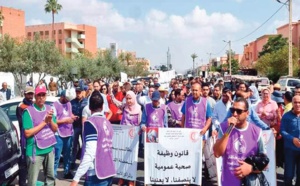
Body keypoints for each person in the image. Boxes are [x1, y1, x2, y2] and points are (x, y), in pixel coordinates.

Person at [213, 97, 267, 186]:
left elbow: (265, 163)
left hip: (249, 182)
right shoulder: (223, 128)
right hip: (228, 182)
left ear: (247, 113)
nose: (234, 114)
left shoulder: (257, 132)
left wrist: (251, 168)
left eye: (238, 111)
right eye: (232, 110)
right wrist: (228, 130)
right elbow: (217, 153)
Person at [71, 91, 116, 186]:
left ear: (89, 107)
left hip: (96, 173)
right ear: (103, 106)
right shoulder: (107, 123)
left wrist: (76, 178)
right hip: (109, 170)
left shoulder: (90, 123)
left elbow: (90, 153)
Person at [23, 85, 58, 186]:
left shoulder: (49, 108)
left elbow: (55, 129)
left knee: (50, 179)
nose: (41, 97)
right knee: (32, 182)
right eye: (39, 95)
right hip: (35, 151)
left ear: (46, 96)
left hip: (49, 149)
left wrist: (50, 120)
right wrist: (44, 122)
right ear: (35, 96)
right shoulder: (28, 111)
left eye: (43, 95)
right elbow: (27, 133)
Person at [118, 91, 142, 186]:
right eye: (127, 99)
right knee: (122, 157)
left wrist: (138, 132)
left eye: (130, 98)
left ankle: (131, 179)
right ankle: (121, 177)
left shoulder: (139, 109)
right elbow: (116, 103)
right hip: (123, 137)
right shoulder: (124, 107)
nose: (128, 101)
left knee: (131, 159)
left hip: (133, 137)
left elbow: (140, 123)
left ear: (134, 98)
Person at [53, 90, 76, 179]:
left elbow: (69, 114)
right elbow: (53, 121)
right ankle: (53, 175)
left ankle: (67, 172)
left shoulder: (69, 104)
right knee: (57, 156)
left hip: (68, 133)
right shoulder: (55, 105)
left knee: (67, 155)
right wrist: (65, 121)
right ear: (62, 96)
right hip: (59, 134)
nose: (67, 102)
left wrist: (72, 117)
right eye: (66, 99)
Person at [16, 86, 35, 186]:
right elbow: (22, 123)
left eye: (32, 94)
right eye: (29, 94)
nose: (31, 96)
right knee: (23, 161)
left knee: (32, 161)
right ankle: (22, 183)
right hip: (25, 137)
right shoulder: (21, 106)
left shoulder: (33, 105)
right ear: (25, 94)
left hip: (33, 136)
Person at [280, 95, 300, 186]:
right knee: (289, 174)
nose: (297, 104)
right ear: (292, 103)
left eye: (299, 102)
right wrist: (292, 139)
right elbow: (282, 131)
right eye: (295, 102)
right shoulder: (286, 116)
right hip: (290, 149)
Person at [70, 87, 88, 170]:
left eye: (79, 92)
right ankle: (72, 162)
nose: (78, 94)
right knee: (73, 146)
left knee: (84, 146)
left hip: (84, 126)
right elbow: (69, 113)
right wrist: (72, 116)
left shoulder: (87, 101)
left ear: (83, 92)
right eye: (77, 92)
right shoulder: (72, 102)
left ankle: (83, 163)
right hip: (74, 126)